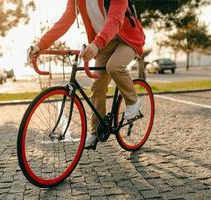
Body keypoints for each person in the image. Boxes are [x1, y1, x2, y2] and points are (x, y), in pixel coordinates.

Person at [29, 0, 145, 149]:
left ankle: (133, 102)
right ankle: (96, 131)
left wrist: (96, 44)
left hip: (128, 39)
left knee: (114, 66)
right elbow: (64, 22)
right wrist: (41, 45)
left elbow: (115, 19)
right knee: (97, 86)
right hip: (104, 43)